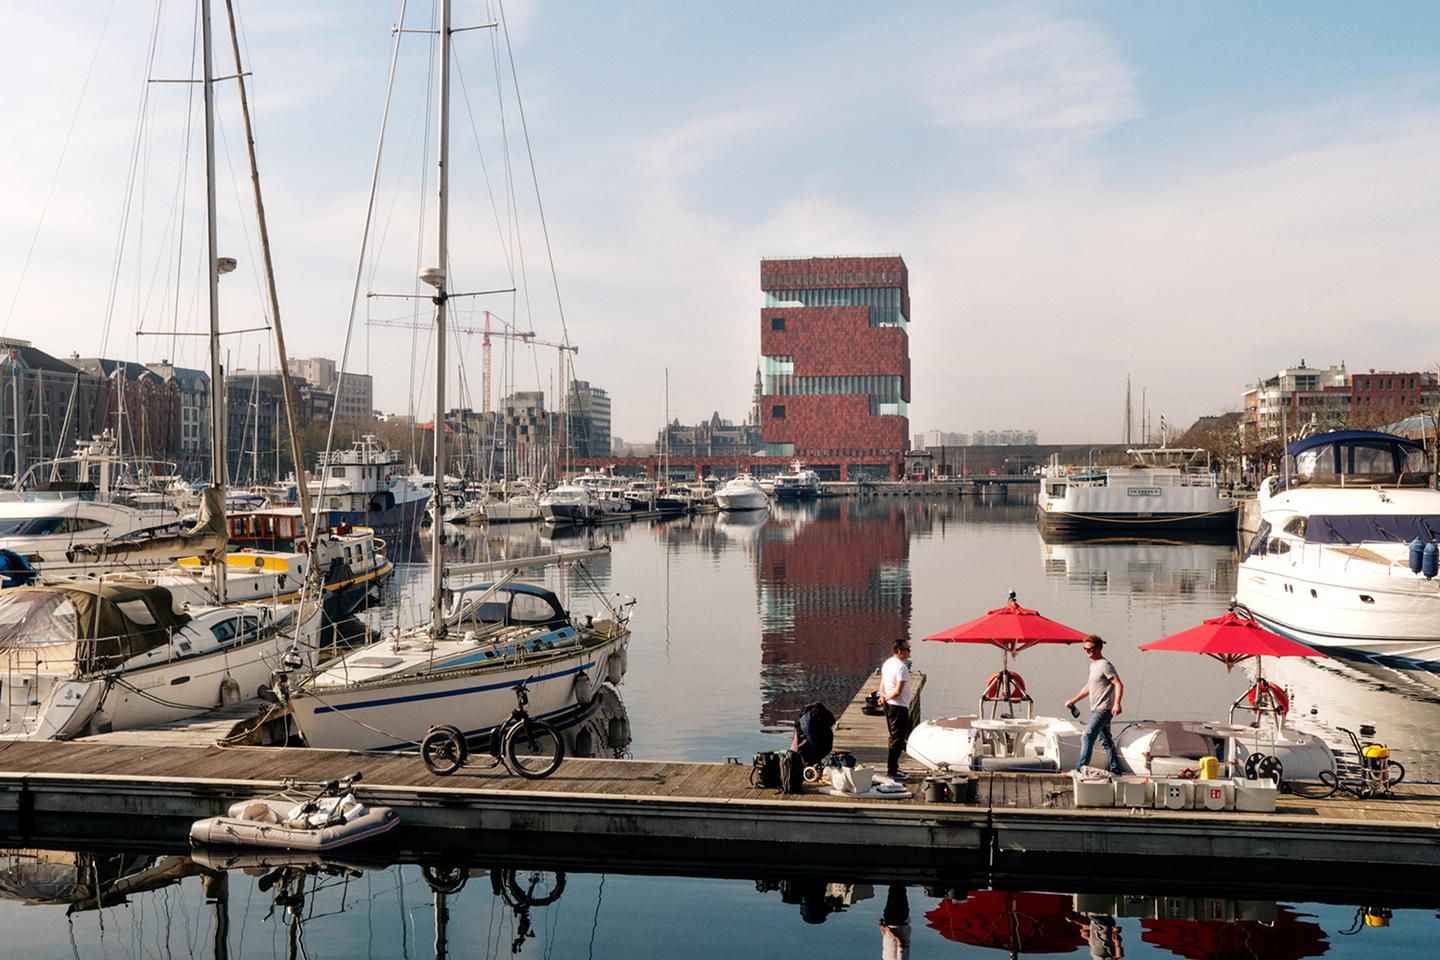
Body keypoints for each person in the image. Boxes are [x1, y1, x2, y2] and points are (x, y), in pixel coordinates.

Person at [1064, 635, 1124, 774]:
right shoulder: (1093, 666)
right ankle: (1116, 769)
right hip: (1096, 708)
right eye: (1085, 649)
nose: (1087, 652)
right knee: (1106, 741)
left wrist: (1117, 704)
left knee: (1087, 736)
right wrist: (1074, 701)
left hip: (1104, 709)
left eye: (1090, 649)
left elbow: (1118, 684)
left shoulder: (1105, 665)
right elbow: (1089, 687)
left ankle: (1080, 769)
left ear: (1099, 648)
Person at [877, 638, 913, 780]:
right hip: (898, 706)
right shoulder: (901, 667)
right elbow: (898, 691)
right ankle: (892, 770)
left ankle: (894, 767)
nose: (909, 651)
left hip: (889, 705)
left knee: (894, 736)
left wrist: (882, 695)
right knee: (897, 739)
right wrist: (886, 697)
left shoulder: (888, 663)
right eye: (907, 649)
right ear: (899, 651)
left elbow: (882, 682)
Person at [879, 884, 911, 960]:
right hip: (898, 923)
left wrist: (882, 928)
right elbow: (901, 944)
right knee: (898, 894)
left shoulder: (885, 958)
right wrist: (890, 932)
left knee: (892, 893)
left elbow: (887, 942)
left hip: (889, 923)